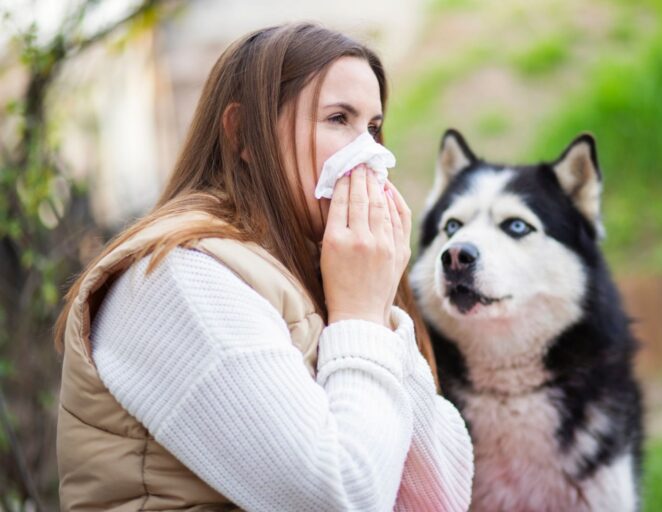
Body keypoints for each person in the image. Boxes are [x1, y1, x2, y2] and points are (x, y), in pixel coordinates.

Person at [54, 22, 474, 511]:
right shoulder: (177, 275)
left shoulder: (323, 272)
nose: (373, 154)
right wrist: (361, 314)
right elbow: (339, 498)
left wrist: (377, 310)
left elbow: (437, 494)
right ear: (244, 134)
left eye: (374, 127)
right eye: (338, 118)